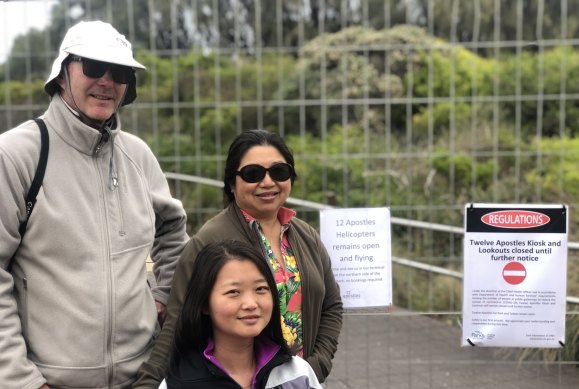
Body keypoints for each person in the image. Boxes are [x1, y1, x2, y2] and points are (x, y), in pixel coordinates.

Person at [0, 21, 189, 389]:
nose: (106, 80)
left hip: (143, 378)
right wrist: (21, 380)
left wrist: (164, 296)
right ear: (62, 73)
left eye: (119, 71)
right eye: (92, 67)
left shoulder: (137, 155)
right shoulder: (17, 155)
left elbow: (173, 230)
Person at [135, 129, 343, 388]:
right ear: (232, 184)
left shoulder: (305, 235)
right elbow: (177, 323)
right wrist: (149, 383)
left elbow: (331, 306)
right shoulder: (210, 242)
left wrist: (315, 366)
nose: (267, 182)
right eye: (253, 174)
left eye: (279, 171)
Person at [160, 240, 323, 389]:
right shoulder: (178, 382)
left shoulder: (297, 374)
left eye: (260, 289)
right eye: (233, 292)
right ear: (204, 303)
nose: (251, 304)